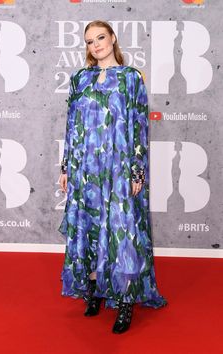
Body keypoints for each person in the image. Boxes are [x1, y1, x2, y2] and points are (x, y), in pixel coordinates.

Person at [58, 20, 167, 334]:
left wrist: (136, 169)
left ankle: (125, 300)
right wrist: (66, 166)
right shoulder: (80, 79)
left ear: (113, 38)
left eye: (101, 38)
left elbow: (138, 126)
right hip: (85, 166)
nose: (96, 45)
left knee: (121, 232)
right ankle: (93, 292)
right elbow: (71, 126)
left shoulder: (131, 78)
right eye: (90, 41)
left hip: (117, 166)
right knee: (89, 227)